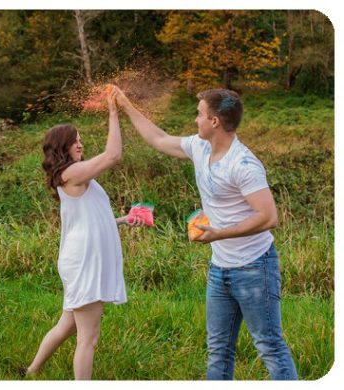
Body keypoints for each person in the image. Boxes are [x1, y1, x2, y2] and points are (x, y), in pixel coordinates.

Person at [115, 88, 297, 380]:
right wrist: (125, 104)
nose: (195, 118)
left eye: (199, 113)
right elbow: (159, 139)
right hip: (219, 269)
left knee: (269, 347)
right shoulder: (200, 147)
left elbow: (269, 217)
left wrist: (219, 233)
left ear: (214, 121)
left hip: (254, 268)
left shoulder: (244, 165)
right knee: (219, 349)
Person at [26, 88, 139, 380]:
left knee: (67, 326)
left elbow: (92, 222)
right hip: (84, 262)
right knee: (88, 338)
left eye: (80, 139)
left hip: (80, 257)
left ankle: (31, 371)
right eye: (75, 140)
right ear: (62, 146)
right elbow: (114, 154)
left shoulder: (75, 174)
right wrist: (114, 112)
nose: (80, 143)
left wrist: (124, 219)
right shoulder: (71, 175)